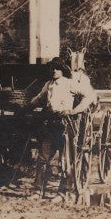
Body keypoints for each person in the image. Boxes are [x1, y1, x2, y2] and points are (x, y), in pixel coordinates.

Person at [30, 57, 90, 196]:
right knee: (43, 157)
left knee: (66, 158)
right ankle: (38, 189)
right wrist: (25, 107)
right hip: (50, 123)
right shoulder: (48, 85)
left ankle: (64, 191)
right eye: (52, 68)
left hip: (65, 124)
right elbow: (38, 99)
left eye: (57, 68)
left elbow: (87, 97)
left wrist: (74, 110)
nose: (54, 71)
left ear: (62, 70)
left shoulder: (70, 84)